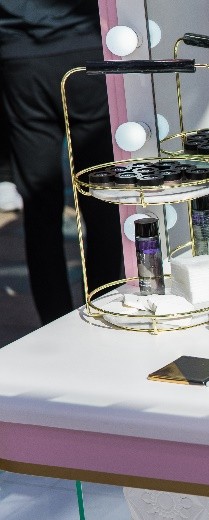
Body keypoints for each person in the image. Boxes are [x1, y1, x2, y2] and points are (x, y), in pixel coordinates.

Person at [0, 0, 123, 324]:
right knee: (101, 196)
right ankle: (105, 309)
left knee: (39, 207)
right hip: (84, 51)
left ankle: (54, 321)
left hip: (21, 58)